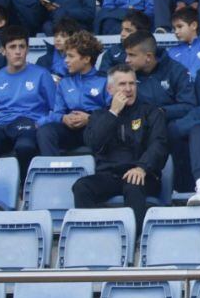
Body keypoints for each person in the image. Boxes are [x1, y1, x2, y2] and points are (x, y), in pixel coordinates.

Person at [72, 63, 169, 231]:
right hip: (110, 175)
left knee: (133, 185)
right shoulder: (99, 116)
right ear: (110, 89)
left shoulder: (151, 112)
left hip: (143, 174)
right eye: (122, 84)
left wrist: (142, 167)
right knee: (81, 186)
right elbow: (93, 143)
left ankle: (133, 239)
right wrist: (113, 113)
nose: (129, 89)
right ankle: (94, 234)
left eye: (132, 83)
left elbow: (159, 144)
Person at [0, 26, 57, 170]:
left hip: (30, 125)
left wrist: (40, 123)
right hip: (2, 126)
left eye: (22, 46)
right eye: (12, 47)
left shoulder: (42, 74)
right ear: (3, 50)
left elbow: (56, 110)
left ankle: (25, 186)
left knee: (25, 146)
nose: (18, 52)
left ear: (28, 49)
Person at [37, 31, 108, 156]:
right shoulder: (64, 83)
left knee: (103, 132)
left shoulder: (105, 81)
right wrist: (64, 118)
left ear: (86, 59)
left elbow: (114, 113)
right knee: (45, 131)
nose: (66, 61)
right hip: (70, 129)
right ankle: (52, 169)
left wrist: (90, 119)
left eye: (70, 56)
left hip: (94, 128)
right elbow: (57, 112)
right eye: (65, 56)